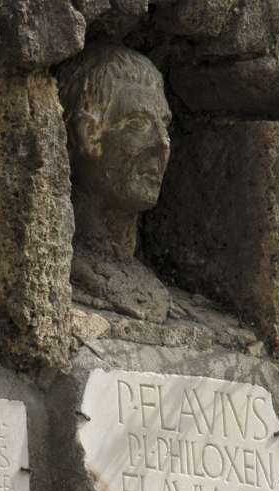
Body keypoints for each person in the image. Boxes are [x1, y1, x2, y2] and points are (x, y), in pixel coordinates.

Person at [56, 44, 172, 323]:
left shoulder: (155, 290)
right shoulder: (58, 271)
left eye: (165, 125)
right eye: (138, 123)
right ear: (87, 135)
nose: (162, 142)